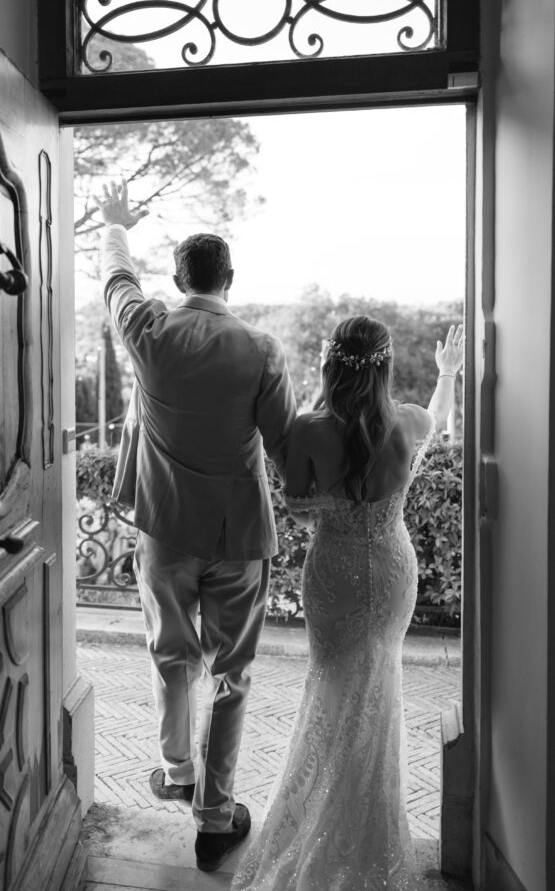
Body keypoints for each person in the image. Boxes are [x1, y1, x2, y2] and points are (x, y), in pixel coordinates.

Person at [99, 180, 297, 873]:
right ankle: (215, 818)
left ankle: (175, 767)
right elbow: (285, 445)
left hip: (163, 531)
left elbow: (116, 276)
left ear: (177, 280)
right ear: (229, 281)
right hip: (238, 534)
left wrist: (116, 224)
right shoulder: (263, 350)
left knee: (169, 654)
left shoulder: (147, 330)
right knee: (231, 675)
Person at [232, 315, 464, 891]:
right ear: (384, 367)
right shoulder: (409, 422)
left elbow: (297, 506)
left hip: (332, 575)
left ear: (329, 365)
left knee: (332, 688)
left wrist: (333, 509)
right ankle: (372, 832)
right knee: (379, 692)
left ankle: (318, 821)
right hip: (391, 573)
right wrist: (448, 373)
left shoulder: (307, 432)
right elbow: (441, 419)